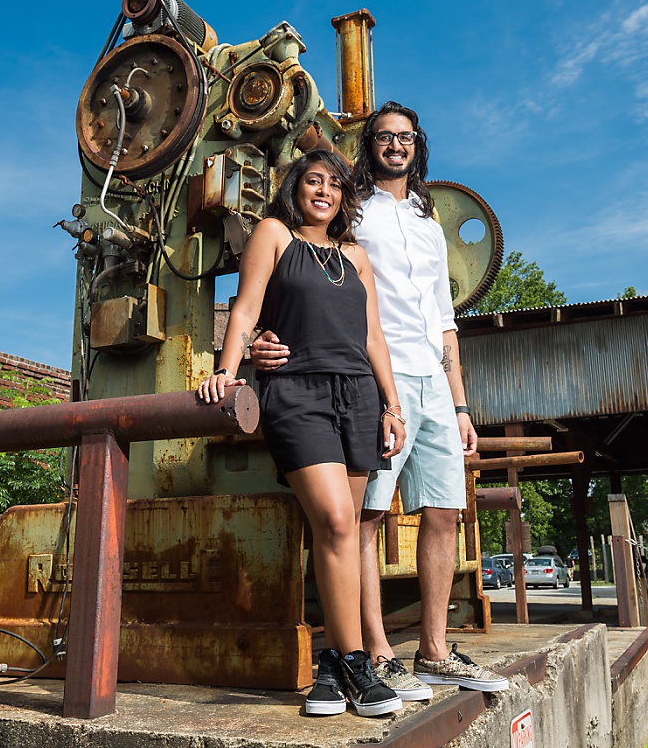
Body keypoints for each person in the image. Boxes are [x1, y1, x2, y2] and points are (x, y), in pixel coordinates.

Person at [252, 102, 508, 697]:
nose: (396, 145)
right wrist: (265, 339)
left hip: (432, 383)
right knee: (365, 518)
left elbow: (445, 319)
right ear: (368, 146)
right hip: (371, 379)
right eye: (384, 137)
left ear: (418, 145)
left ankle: (436, 650)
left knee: (444, 512)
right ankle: (376, 651)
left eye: (406, 137)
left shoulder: (429, 219)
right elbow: (306, 283)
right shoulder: (351, 209)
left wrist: (462, 406)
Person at [198, 149, 407, 717]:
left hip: (359, 397)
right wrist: (228, 369)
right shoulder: (273, 234)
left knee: (342, 533)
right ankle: (357, 661)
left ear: (344, 197)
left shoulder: (356, 256)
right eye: (313, 181)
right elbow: (245, 309)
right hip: (297, 393)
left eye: (335, 185)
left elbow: (374, 339)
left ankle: (334, 668)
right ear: (295, 188)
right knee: (335, 520)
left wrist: (392, 405)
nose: (325, 191)